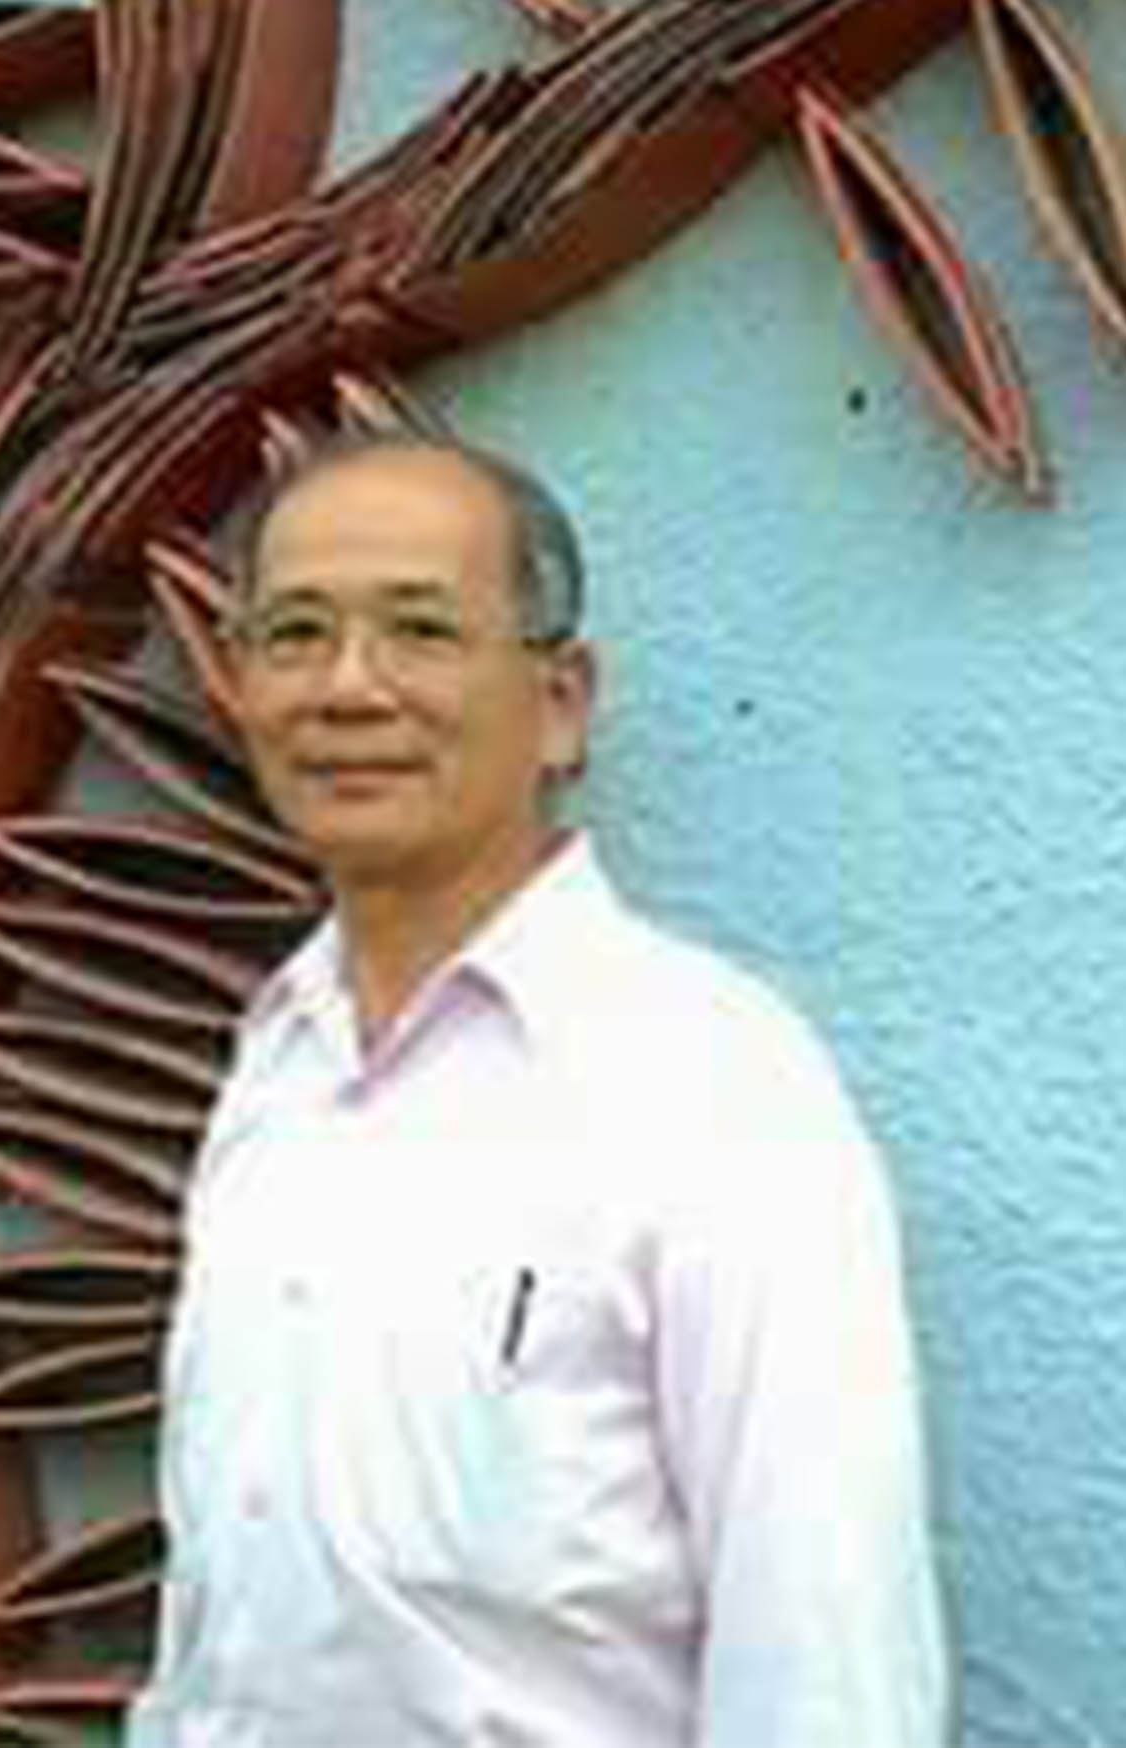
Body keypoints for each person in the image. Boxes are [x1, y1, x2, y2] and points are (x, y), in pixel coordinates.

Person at [125, 435, 949, 1746]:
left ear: (562, 700)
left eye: (420, 629)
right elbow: (222, 1603)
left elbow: (828, 1659)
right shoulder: (278, 1059)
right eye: (295, 635)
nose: (347, 687)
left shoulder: (713, 1088)